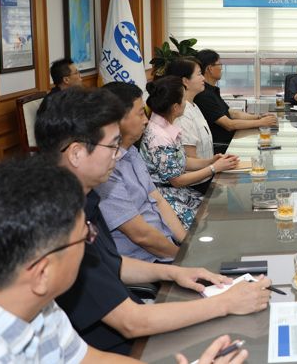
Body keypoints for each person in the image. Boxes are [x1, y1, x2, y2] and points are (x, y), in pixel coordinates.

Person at [0, 158, 247, 364]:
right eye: (84, 237)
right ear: (43, 271)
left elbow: (91, 359)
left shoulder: (34, 302)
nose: (91, 242)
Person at [35, 87, 271, 354]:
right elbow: (129, 322)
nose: (118, 154)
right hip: (126, 343)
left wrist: (175, 270)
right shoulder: (56, 222)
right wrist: (225, 303)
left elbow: (112, 263)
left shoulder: (84, 198)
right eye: (112, 145)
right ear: (76, 152)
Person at [95, 82, 186, 263]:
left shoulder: (131, 151)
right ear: (117, 119)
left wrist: (187, 245)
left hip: (166, 248)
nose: (146, 120)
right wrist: (184, 258)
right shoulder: (104, 170)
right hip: (144, 260)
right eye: (140, 113)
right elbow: (141, 236)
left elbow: (158, 200)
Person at [141, 76, 221, 230]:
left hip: (177, 191)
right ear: (175, 107)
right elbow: (176, 180)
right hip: (165, 196)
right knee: (203, 223)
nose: (187, 103)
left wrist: (211, 161)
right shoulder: (159, 137)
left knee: (213, 211)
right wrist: (213, 169)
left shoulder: (165, 127)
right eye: (184, 99)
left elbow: (182, 161)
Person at [166, 58, 240, 192]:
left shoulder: (193, 105)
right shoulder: (182, 114)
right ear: (185, 81)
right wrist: (215, 166)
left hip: (207, 176)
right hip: (196, 185)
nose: (203, 78)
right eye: (199, 74)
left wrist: (214, 161)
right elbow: (189, 162)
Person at [193, 49, 277, 152]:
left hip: (231, 139)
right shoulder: (204, 95)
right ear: (210, 68)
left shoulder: (212, 90)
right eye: (220, 65)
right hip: (221, 146)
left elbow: (232, 113)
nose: (221, 68)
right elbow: (229, 124)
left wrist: (258, 117)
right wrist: (261, 122)